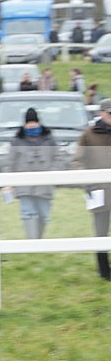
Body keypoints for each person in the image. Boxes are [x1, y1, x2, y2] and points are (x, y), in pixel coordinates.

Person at [71, 98, 111, 280]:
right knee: (100, 232)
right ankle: (104, 272)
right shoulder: (88, 135)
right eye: (109, 113)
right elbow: (77, 161)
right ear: (101, 113)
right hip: (99, 191)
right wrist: (88, 182)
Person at [6, 108, 58, 239]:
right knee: (28, 212)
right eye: (29, 122)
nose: (31, 125)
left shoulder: (50, 139)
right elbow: (10, 161)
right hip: (24, 184)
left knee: (44, 215)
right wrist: (8, 182)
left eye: (34, 122)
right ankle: (31, 242)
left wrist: (53, 172)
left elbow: (58, 157)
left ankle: (38, 240)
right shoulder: (17, 140)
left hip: (44, 184)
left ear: (39, 122)